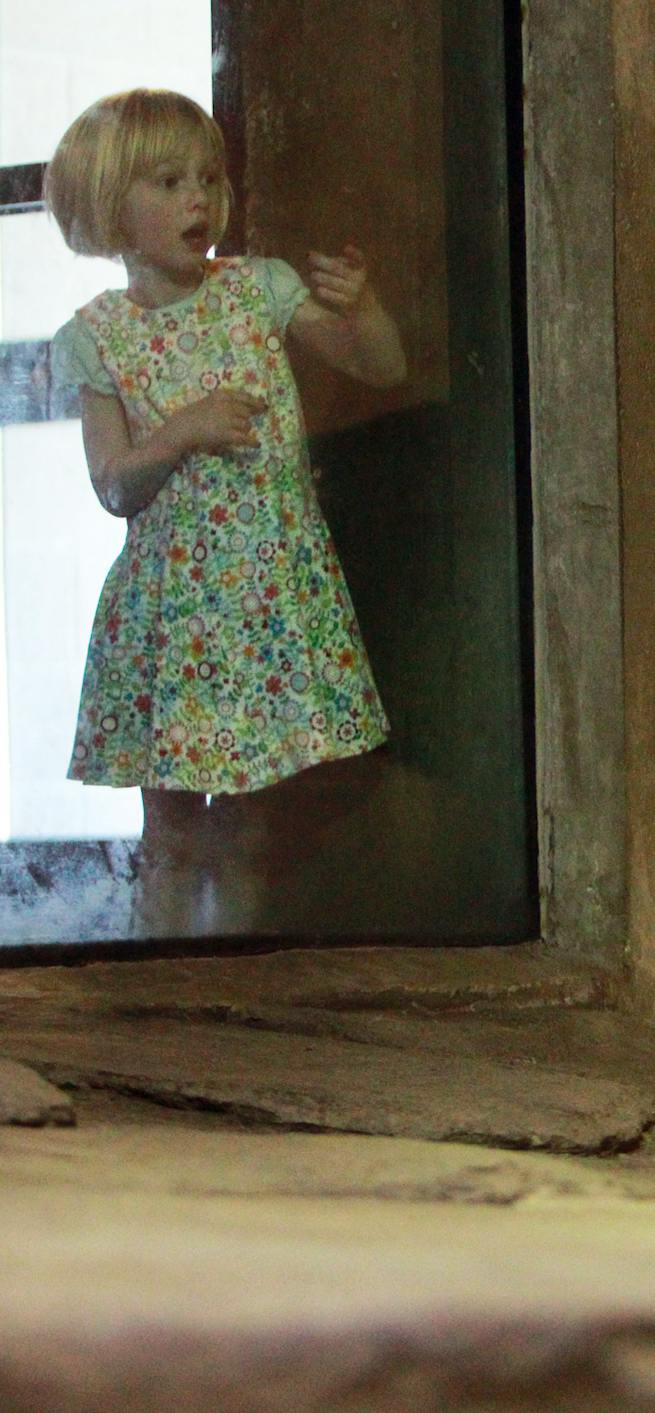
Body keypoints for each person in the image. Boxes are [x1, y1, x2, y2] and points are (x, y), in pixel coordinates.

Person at [43, 88, 407, 934]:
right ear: (110, 206)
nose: (198, 201)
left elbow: (381, 368)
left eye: (207, 179)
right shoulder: (100, 337)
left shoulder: (259, 292)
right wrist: (180, 432)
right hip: (171, 616)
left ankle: (235, 992)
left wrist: (364, 310)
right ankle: (164, 985)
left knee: (245, 829)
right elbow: (113, 487)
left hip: (263, 606)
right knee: (170, 830)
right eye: (168, 183)